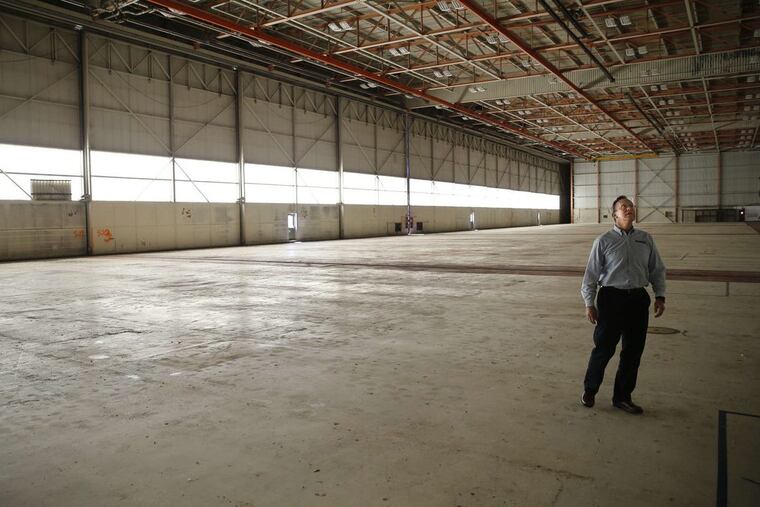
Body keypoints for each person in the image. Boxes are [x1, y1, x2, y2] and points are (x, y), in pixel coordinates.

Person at [580, 195, 666, 414]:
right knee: (604, 349)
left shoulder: (645, 239)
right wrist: (589, 303)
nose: (628, 209)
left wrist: (660, 295)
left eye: (630, 206)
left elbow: (657, 269)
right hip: (611, 299)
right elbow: (590, 275)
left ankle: (622, 397)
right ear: (614, 213)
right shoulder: (603, 241)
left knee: (633, 352)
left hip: (638, 299)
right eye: (623, 207)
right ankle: (590, 390)